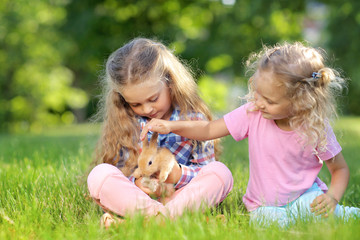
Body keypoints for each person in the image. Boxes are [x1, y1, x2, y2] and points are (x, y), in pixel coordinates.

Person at [141, 42, 360, 227]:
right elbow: (208, 130)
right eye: (258, 93)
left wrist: (331, 197)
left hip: (305, 195)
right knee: (268, 222)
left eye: (270, 100)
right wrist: (171, 126)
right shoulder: (252, 113)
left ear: (300, 102)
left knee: (320, 213)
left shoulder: (314, 127)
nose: (259, 102)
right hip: (264, 205)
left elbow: (339, 169)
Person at [86, 37, 233, 227]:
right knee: (99, 175)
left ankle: (147, 222)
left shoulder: (194, 120)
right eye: (136, 104)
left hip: (182, 198)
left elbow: (206, 168)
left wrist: (179, 175)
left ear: (170, 83)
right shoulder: (127, 124)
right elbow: (122, 173)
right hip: (139, 202)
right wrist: (138, 183)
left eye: (153, 99)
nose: (147, 109)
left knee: (220, 173)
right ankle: (169, 220)